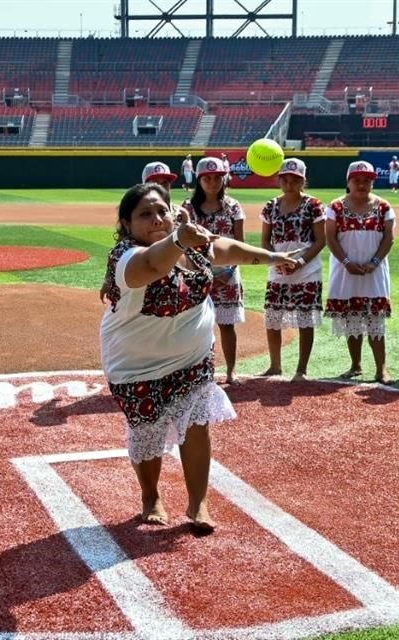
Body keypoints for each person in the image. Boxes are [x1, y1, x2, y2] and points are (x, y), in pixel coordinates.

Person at [100, 182, 297, 533]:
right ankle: (150, 496)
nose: (157, 218)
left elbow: (225, 248)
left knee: (196, 423)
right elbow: (154, 265)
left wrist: (270, 257)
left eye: (162, 210)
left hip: (192, 359)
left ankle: (198, 503)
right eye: (145, 214)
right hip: (134, 365)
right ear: (127, 225)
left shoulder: (192, 245)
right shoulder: (125, 258)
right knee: (146, 429)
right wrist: (178, 240)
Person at [324, 160, 395, 385]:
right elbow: (331, 238)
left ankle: (381, 369)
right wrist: (346, 262)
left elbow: (388, 238)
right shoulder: (335, 206)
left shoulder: (383, 206)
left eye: (367, 180)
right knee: (351, 317)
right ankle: (355, 365)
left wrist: (374, 262)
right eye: (357, 180)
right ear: (349, 181)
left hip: (374, 271)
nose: (362, 184)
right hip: (345, 270)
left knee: (375, 319)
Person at [259, 158, 326, 381]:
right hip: (278, 270)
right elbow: (265, 241)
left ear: (303, 181)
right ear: (279, 180)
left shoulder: (313, 205)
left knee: (305, 319)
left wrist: (300, 262)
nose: (289, 184)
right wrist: (276, 260)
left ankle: (301, 370)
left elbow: (320, 240)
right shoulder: (270, 206)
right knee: (273, 317)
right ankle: (275, 365)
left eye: (295, 180)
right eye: (285, 179)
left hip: (306, 271)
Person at [181, 157, 246, 385]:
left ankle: (231, 370)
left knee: (227, 325)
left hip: (228, 275)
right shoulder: (188, 209)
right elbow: (183, 245)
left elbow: (240, 244)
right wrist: (203, 272)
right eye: (207, 178)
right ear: (199, 180)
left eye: (218, 177)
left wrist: (227, 272)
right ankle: (200, 371)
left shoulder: (233, 206)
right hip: (197, 274)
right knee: (197, 326)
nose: (212, 182)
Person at [99, 161, 184, 303]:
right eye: (155, 182)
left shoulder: (181, 213)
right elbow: (119, 247)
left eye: (165, 182)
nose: (161, 186)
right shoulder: (134, 211)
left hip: (173, 275)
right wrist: (108, 278)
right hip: (143, 274)